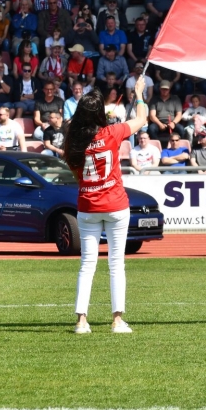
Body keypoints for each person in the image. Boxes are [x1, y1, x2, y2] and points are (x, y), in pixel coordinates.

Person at [65, 73, 148, 335]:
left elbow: (76, 172)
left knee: (87, 264)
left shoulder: (73, 140)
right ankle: (117, 320)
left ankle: (81, 321)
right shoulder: (112, 132)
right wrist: (140, 94)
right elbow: (142, 118)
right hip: (114, 204)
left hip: (88, 205)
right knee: (116, 263)